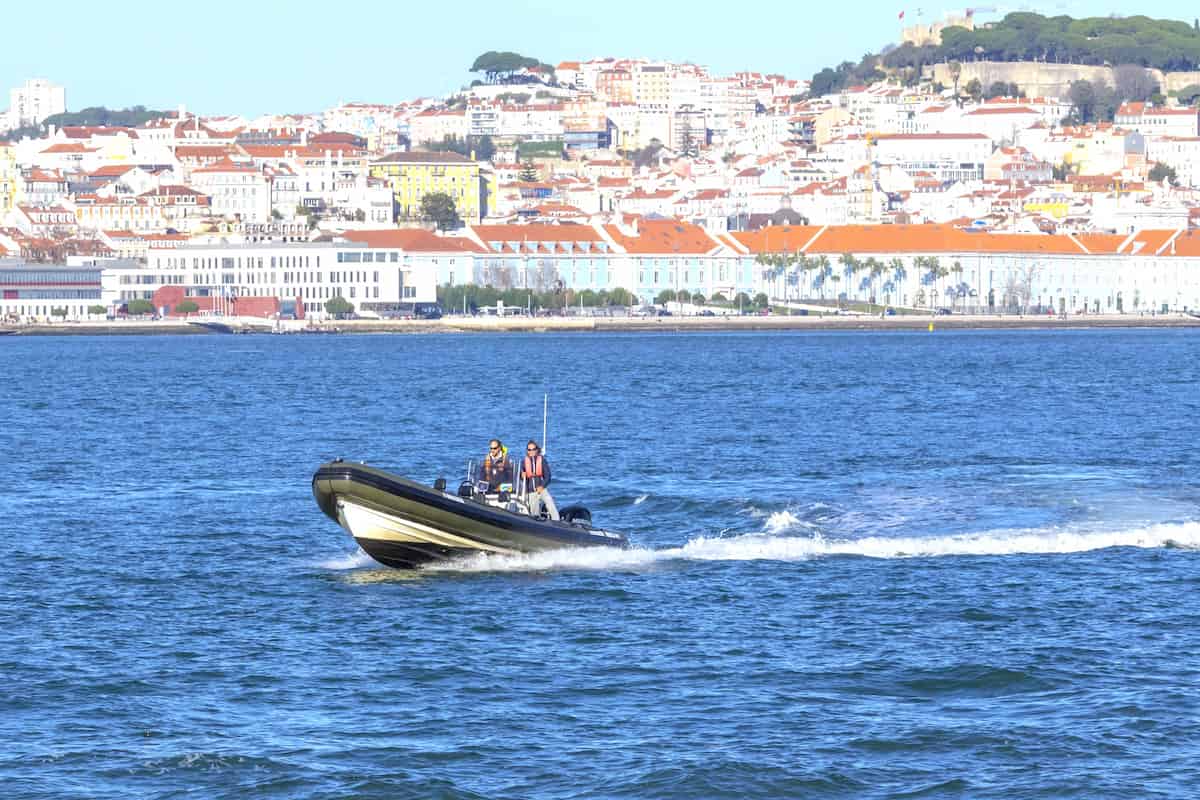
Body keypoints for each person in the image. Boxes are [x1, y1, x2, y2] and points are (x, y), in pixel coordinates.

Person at [521, 440, 558, 520]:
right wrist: (522, 475)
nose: (531, 451)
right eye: (529, 449)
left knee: (550, 503)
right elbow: (521, 478)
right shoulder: (523, 462)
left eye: (533, 449)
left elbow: (548, 476)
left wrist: (542, 486)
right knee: (534, 512)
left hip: (542, 489)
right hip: (531, 491)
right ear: (527, 451)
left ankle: (557, 521)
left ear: (537, 450)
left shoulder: (542, 461)